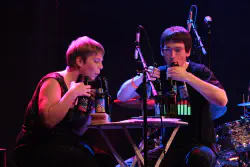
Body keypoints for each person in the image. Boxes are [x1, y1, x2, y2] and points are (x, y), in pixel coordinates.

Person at [117, 26, 228, 167]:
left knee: (198, 158)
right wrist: (141, 77)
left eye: (177, 50)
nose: (172, 55)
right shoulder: (160, 74)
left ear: (187, 52)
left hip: (200, 146)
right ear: (162, 52)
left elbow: (222, 100)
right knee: (125, 165)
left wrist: (187, 77)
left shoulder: (199, 71)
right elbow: (122, 96)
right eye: (167, 50)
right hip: (169, 148)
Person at [12, 36, 115, 167]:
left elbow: (78, 131)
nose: (101, 67)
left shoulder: (81, 88)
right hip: (38, 147)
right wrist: (72, 94)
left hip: (65, 146)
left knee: (104, 160)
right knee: (81, 160)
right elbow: (49, 121)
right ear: (79, 61)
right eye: (96, 61)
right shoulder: (53, 81)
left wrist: (92, 112)